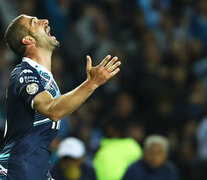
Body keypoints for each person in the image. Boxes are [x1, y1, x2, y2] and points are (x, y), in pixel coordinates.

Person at [0, 14, 121, 180]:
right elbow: (52, 110)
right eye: (34, 22)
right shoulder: (24, 73)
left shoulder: (45, 78)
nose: (45, 21)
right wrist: (91, 83)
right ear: (28, 40)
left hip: (35, 169)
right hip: (18, 171)